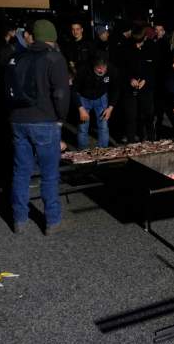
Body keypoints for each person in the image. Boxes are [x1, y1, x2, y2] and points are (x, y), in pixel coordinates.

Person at [8, 20, 70, 235]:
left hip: (17, 120)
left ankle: (19, 220)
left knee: (21, 172)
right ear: (52, 37)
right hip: (44, 121)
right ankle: (52, 221)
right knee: (49, 174)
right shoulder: (54, 58)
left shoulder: (16, 57)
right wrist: (61, 118)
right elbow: (61, 94)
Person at [74, 57, 119, 148]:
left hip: (101, 97)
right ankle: (83, 152)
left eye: (103, 68)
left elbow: (115, 89)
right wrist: (80, 108)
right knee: (83, 127)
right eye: (99, 68)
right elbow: (73, 90)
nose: (101, 70)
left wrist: (110, 108)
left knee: (103, 126)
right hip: (84, 98)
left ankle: (103, 151)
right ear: (94, 66)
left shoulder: (112, 70)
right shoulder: (83, 70)